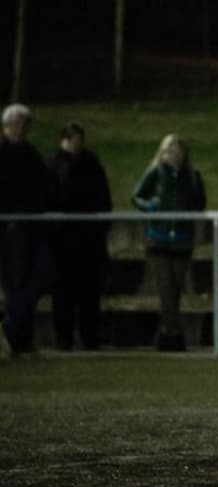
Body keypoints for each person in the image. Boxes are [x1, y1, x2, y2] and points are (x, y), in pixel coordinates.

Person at [132, 134, 206, 351]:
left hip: (182, 240)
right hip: (158, 239)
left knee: (175, 289)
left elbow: (199, 203)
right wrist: (152, 207)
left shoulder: (191, 176)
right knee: (166, 289)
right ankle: (171, 334)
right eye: (170, 150)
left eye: (178, 151)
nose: (174, 155)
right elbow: (137, 196)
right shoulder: (155, 172)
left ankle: (168, 333)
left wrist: (189, 213)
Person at [46, 122, 112, 350]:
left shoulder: (91, 164)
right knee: (63, 293)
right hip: (63, 243)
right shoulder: (53, 165)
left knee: (89, 294)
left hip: (88, 241)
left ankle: (89, 337)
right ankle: (64, 338)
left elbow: (103, 198)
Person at [0, 104, 54, 356]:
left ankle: (16, 333)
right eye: (21, 122)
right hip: (13, 228)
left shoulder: (31, 154)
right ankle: (15, 336)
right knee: (17, 285)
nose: (25, 127)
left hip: (33, 226)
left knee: (37, 280)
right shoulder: (4, 154)